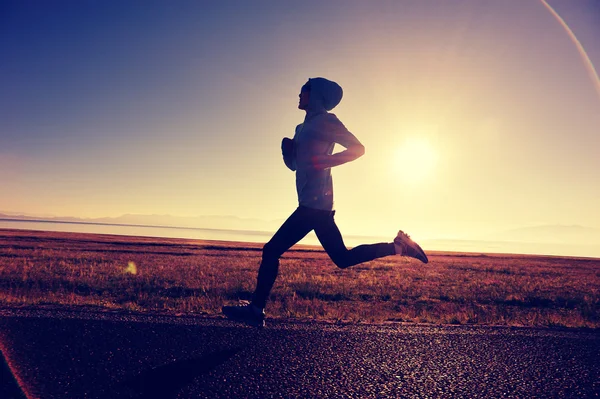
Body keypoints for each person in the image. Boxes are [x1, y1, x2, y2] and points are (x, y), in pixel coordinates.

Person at [222, 77, 428, 327]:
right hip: (314, 206)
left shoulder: (327, 121)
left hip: (313, 206)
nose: (299, 95)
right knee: (342, 258)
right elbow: (296, 166)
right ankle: (398, 247)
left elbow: (358, 149)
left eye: (304, 91)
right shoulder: (301, 128)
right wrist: (287, 154)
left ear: (316, 94)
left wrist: (325, 161)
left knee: (271, 250)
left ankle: (256, 310)